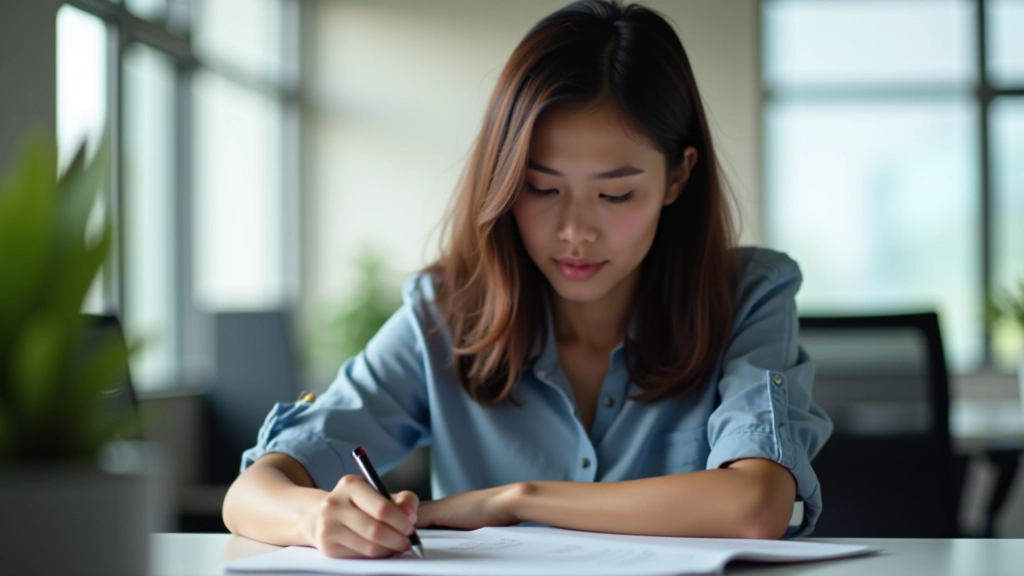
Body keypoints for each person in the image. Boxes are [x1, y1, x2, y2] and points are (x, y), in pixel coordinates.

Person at [222, 0, 832, 558]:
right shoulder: (447, 312)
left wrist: (513, 502)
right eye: (541, 188)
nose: (575, 231)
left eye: (615, 195)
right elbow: (252, 494)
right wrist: (315, 519)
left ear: (677, 178)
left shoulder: (747, 294)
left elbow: (754, 505)